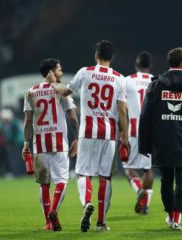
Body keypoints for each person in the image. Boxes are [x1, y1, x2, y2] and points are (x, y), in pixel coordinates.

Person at [51, 40, 130, 232]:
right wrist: (125, 136)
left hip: (87, 132)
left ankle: (87, 202)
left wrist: (53, 83)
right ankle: (101, 223)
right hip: (110, 134)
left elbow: (65, 91)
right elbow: (122, 109)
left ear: (96, 55)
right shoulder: (119, 78)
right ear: (112, 57)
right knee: (105, 178)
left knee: (83, 173)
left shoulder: (85, 72)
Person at [139, 47, 182, 231]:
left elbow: (145, 116)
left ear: (170, 63)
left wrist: (144, 144)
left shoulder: (155, 85)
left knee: (166, 180)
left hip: (162, 140)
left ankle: (170, 215)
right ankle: (177, 218)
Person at [22, 58, 78, 231]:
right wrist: (77, 136)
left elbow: (28, 121)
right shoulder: (61, 91)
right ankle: (54, 210)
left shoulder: (31, 91)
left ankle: (48, 222)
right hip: (59, 142)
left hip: (39, 144)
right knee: (62, 181)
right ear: (51, 72)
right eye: (59, 70)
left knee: (44, 184)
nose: (61, 73)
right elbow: (72, 116)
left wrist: (25, 143)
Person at [124, 51, 154, 214]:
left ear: (136, 65)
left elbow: (122, 106)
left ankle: (139, 190)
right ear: (150, 66)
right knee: (148, 169)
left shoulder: (128, 80)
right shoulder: (155, 81)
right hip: (151, 130)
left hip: (133, 128)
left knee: (128, 166)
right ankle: (145, 204)